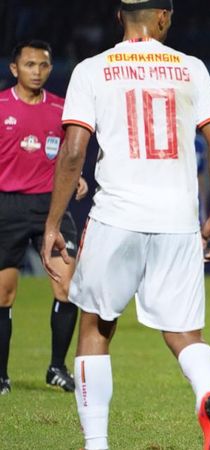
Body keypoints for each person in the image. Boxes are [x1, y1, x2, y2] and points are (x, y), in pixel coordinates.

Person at [40, 1, 210, 449]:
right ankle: (208, 393)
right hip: (177, 219)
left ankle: (96, 443)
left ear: (119, 18)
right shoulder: (191, 68)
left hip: (116, 216)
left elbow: (73, 152)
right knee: (185, 332)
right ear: (163, 17)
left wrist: (53, 223)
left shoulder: (91, 69)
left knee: (95, 326)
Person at [0, 39, 89, 395]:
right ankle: (1, 376)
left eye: (44, 65)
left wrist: (77, 178)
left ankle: (56, 367)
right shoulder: (1, 105)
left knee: (68, 288)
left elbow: (69, 155)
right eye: (30, 65)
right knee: (4, 294)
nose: (37, 72)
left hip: (50, 207)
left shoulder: (62, 109)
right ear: (14, 69)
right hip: (7, 207)